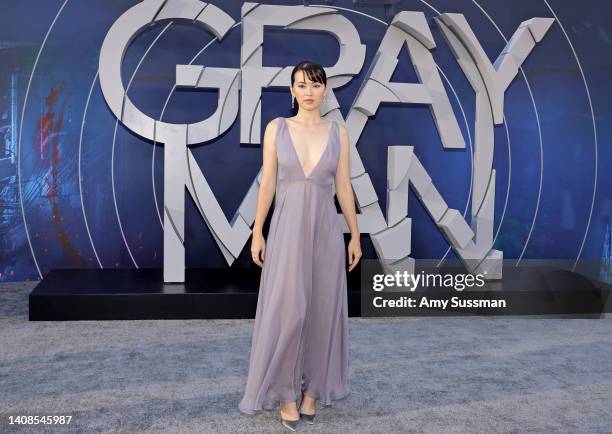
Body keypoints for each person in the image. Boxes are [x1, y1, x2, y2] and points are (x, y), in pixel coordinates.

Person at [238, 60, 362, 431]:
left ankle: (312, 392)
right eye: (301, 85)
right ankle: (286, 394)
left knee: (323, 312)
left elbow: (343, 186)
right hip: (287, 231)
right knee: (289, 313)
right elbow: (267, 184)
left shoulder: (339, 133)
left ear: (325, 90)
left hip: (326, 232)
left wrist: (354, 235)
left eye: (315, 84)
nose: (308, 92)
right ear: (291, 91)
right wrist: (257, 231)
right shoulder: (276, 129)